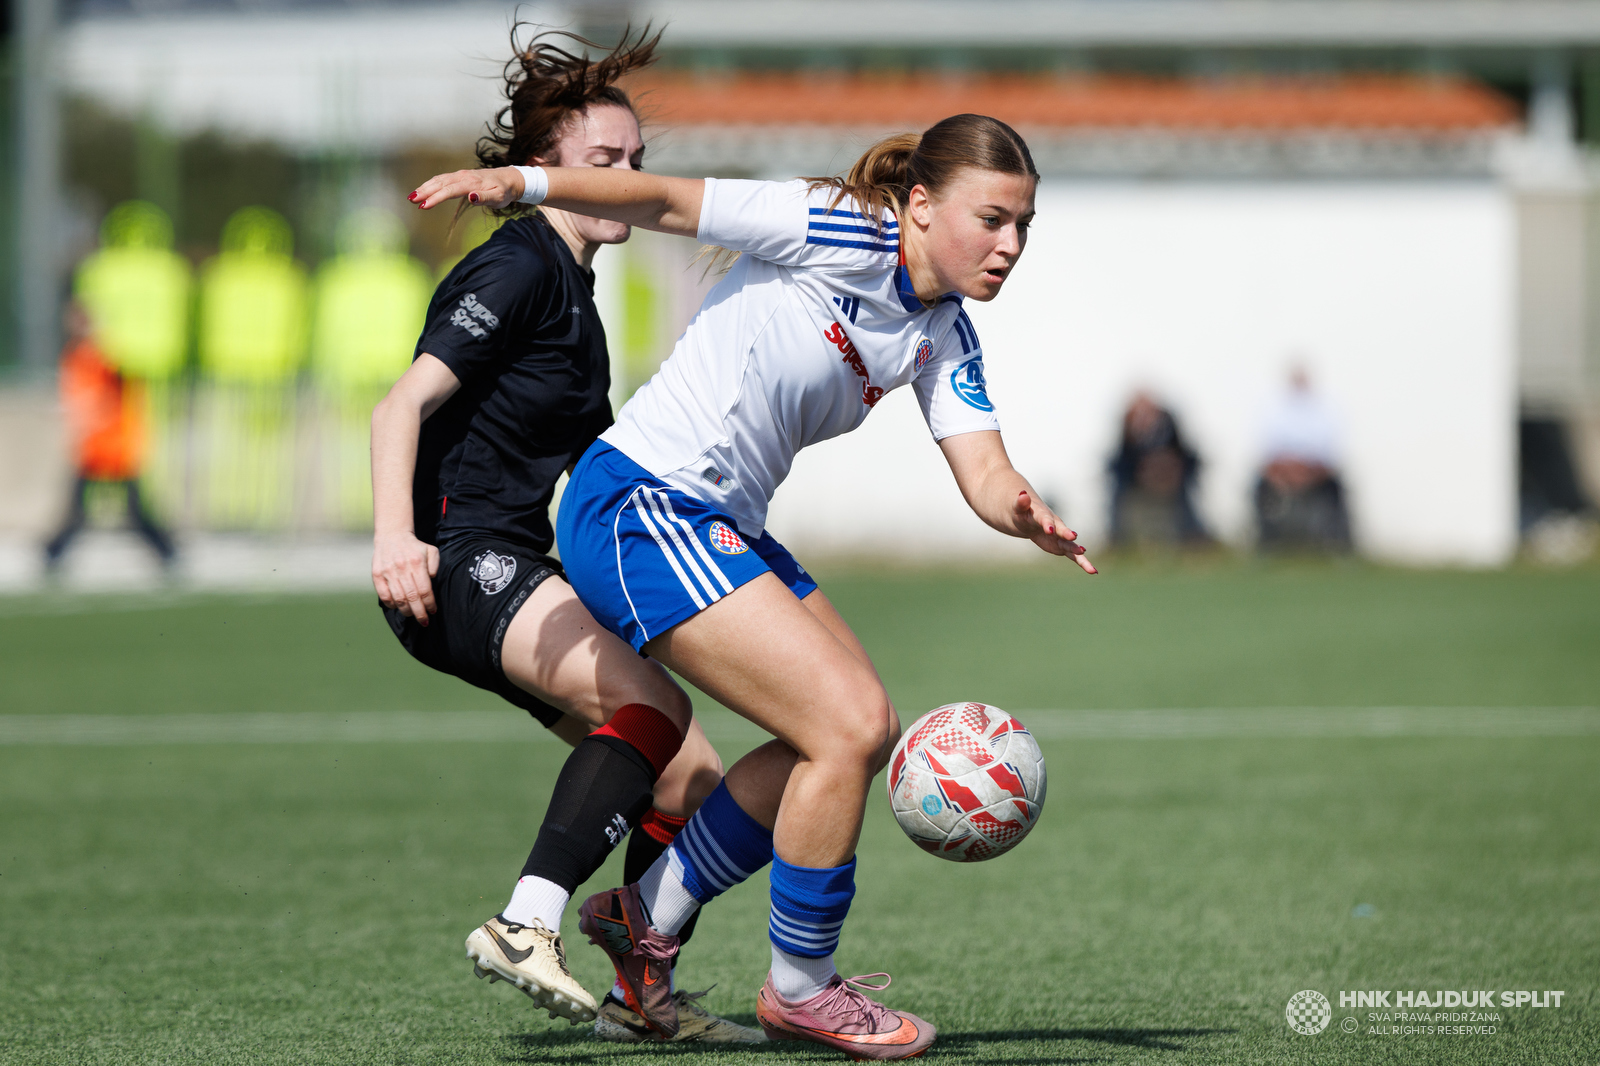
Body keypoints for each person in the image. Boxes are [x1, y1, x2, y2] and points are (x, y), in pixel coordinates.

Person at [411, 111, 1097, 1059]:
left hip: (719, 524)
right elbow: (661, 197)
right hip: (640, 506)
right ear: (924, 204)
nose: (1010, 245)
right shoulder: (834, 224)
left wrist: (1022, 509)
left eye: (1024, 225)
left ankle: (645, 913)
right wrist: (528, 184)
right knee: (846, 720)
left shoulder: (943, 332)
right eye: (993, 219)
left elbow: (983, 472)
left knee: (861, 733)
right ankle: (801, 989)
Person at [370, 27, 762, 1044]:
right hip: (456, 560)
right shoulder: (518, 267)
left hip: (509, 563)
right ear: (544, 169)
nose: (630, 180)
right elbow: (396, 408)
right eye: (606, 162)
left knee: (690, 776)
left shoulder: (576, 292)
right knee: (651, 702)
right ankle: (524, 918)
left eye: (637, 162)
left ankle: (641, 997)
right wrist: (393, 539)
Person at [44, 302, 177, 573]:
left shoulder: (103, 359)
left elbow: (117, 395)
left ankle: (168, 551)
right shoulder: (77, 358)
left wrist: (93, 412)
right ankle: (53, 553)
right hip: (94, 448)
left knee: (131, 509)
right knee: (81, 507)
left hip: (114, 447)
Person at [1254, 365, 1351, 552]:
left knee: (1336, 489)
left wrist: (1307, 474)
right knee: (1258, 488)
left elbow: (1330, 454)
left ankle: (1340, 544)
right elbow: (1268, 452)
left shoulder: (1325, 410)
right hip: (1282, 473)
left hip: (1315, 475)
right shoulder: (1273, 410)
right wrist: (1286, 473)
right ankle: (1267, 542)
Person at [1107, 389, 1208, 548]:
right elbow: (1121, 460)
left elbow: (1183, 452)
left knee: (1186, 491)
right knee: (1116, 489)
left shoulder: (1168, 424)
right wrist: (1143, 472)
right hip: (1136, 479)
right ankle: (1117, 538)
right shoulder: (1128, 426)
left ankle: (1193, 536)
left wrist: (1167, 468)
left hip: (1172, 476)